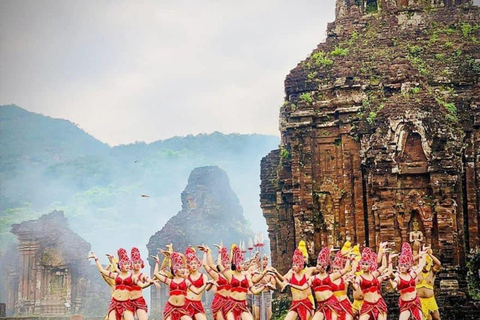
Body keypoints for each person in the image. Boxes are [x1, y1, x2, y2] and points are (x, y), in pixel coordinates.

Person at [220, 245, 267, 320]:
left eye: (242, 263)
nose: (240, 266)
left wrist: (264, 286)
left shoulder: (247, 275)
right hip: (231, 304)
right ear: (234, 264)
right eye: (238, 263)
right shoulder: (230, 275)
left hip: (242, 305)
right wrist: (220, 252)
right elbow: (219, 266)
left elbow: (254, 291)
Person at [88, 249, 137, 320]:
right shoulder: (113, 279)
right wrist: (97, 259)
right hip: (115, 306)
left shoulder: (130, 278)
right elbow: (102, 271)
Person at [153, 251, 202, 320]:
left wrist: (206, 284)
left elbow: (197, 291)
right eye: (179, 268)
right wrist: (157, 262)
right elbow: (156, 274)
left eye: (182, 267)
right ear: (175, 270)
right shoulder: (170, 281)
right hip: (170, 307)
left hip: (182, 308)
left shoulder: (186, 280)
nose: (182, 270)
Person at [353, 247, 393, 320]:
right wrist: (350, 283)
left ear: (370, 265)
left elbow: (384, 266)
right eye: (363, 264)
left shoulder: (374, 275)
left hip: (379, 303)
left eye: (366, 264)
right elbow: (355, 287)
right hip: (367, 305)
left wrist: (383, 253)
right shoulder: (359, 277)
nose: (364, 266)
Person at [389, 243, 426, 320]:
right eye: (401, 265)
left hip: (415, 302)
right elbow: (393, 285)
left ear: (408, 267)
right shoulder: (398, 277)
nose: (402, 267)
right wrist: (388, 278)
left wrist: (422, 255)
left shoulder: (411, 275)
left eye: (405, 266)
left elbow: (421, 266)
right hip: (405, 304)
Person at [415, 248, 441, 320]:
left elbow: (439, 264)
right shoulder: (417, 271)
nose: (424, 265)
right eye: (423, 263)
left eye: (426, 263)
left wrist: (429, 254)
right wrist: (421, 255)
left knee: (437, 318)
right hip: (419, 300)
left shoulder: (432, 272)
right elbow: (411, 261)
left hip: (430, 299)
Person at [130, 247, 156, 320]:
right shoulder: (129, 276)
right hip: (128, 301)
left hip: (139, 301)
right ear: (132, 264)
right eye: (135, 263)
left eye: (139, 262)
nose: (137, 264)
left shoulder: (143, 275)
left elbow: (148, 279)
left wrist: (151, 281)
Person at [184, 246, 209, 320]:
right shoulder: (186, 276)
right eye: (191, 264)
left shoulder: (203, 276)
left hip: (198, 303)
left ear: (198, 264)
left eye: (195, 263)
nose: (194, 265)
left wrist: (205, 252)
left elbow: (207, 288)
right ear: (189, 266)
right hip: (187, 303)